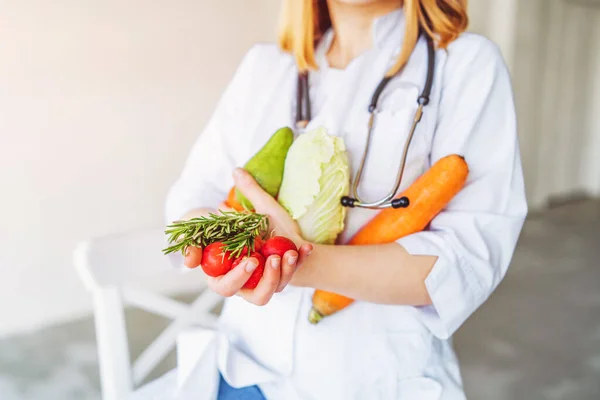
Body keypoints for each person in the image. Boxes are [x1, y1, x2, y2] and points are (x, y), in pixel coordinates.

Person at [134, 0, 527, 399]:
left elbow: (464, 261)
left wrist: (297, 260)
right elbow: (195, 194)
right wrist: (216, 243)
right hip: (243, 369)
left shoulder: (465, 65)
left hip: (369, 380)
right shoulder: (264, 67)